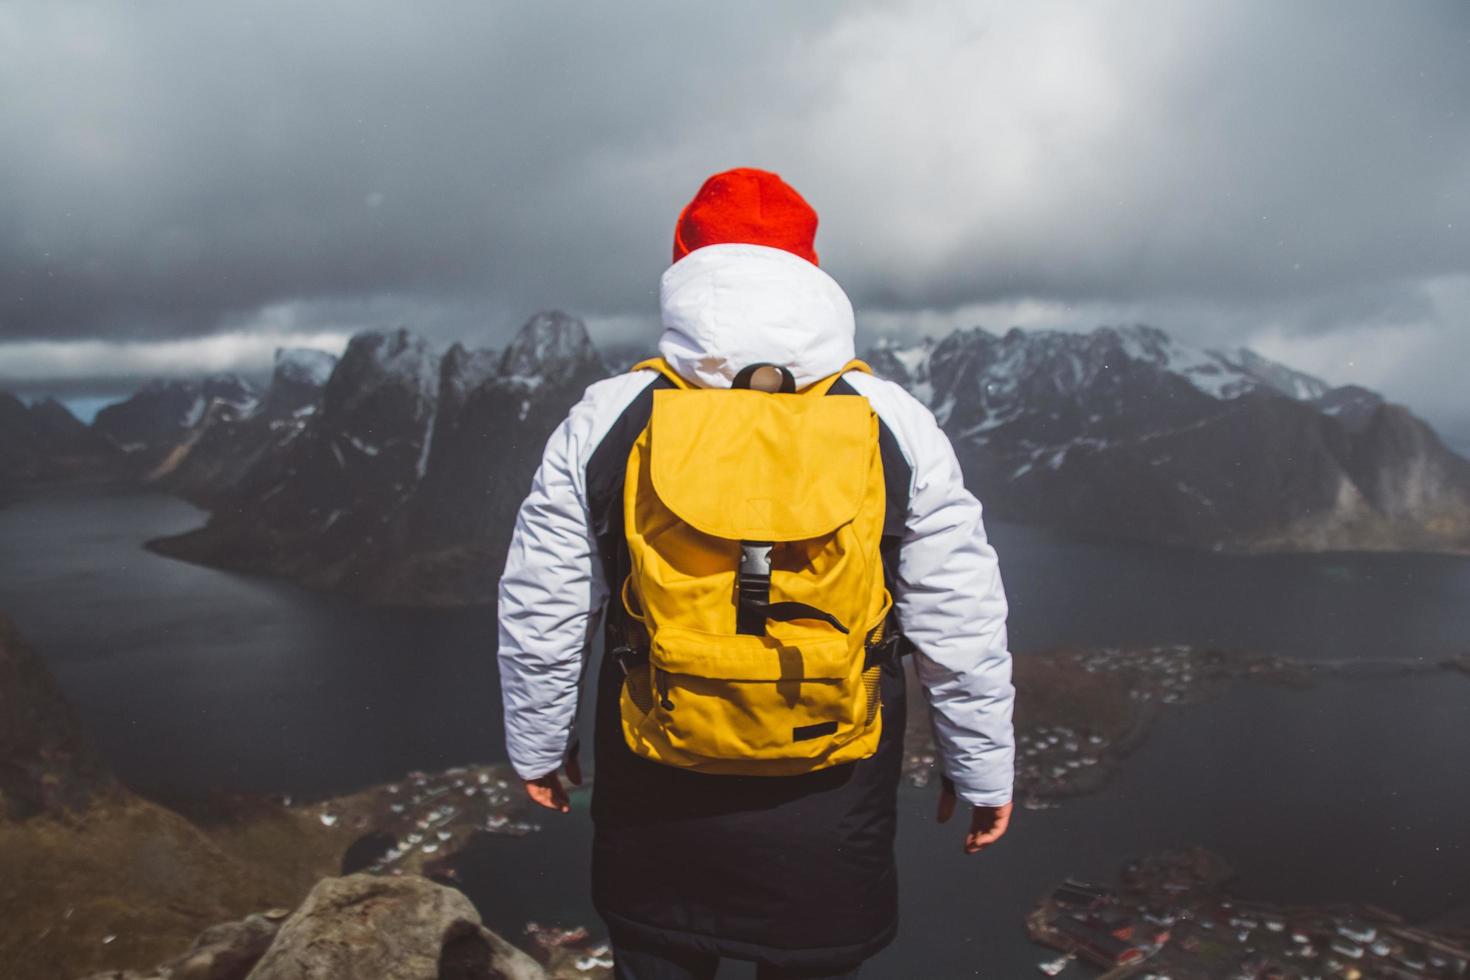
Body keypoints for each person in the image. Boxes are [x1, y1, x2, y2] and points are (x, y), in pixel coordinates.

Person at [497, 167, 1015, 979]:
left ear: (684, 270)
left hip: (656, 774)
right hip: (830, 792)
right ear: (810, 272)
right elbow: (960, 617)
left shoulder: (609, 416)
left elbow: (545, 607)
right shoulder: (892, 421)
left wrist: (538, 742)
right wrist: (981, 764)